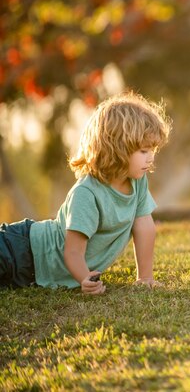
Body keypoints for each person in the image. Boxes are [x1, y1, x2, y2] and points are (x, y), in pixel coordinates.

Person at [0, 92, 172, 294]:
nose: (151, 158)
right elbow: (73, 250)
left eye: (153, 150)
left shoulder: (137, 182)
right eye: (144, 151)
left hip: (32, 274)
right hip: (20, 249)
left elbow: (144, 226)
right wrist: (84, 279)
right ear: (117, 148)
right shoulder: (87, 192)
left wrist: (145, 278)